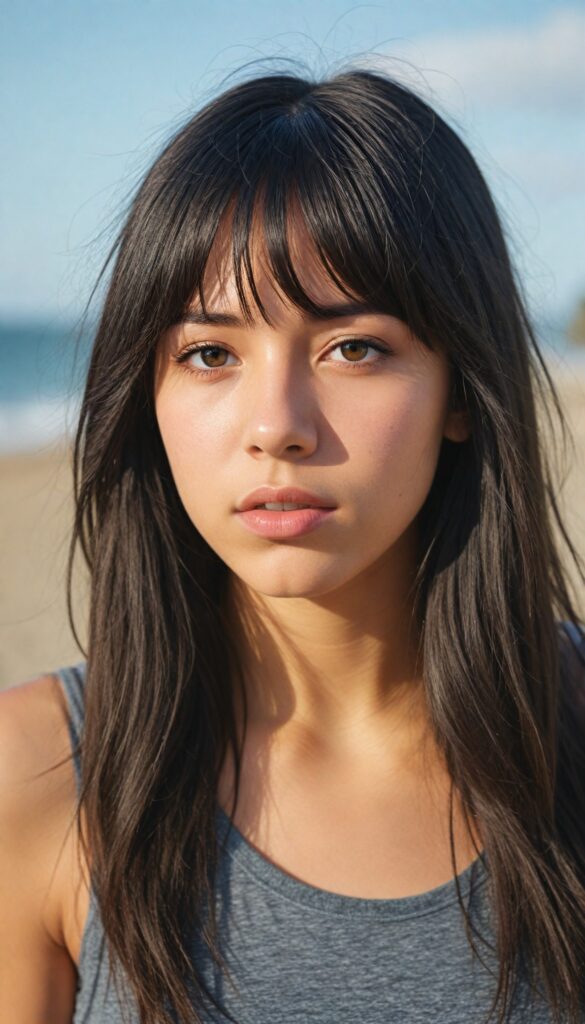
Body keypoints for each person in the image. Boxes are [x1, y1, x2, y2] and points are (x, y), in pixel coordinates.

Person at [0, 66, 584, 1024]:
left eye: (352, 347)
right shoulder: (34, 775)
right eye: (210, 354)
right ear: (147, 396)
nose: (276, 425)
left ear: (462, 390)